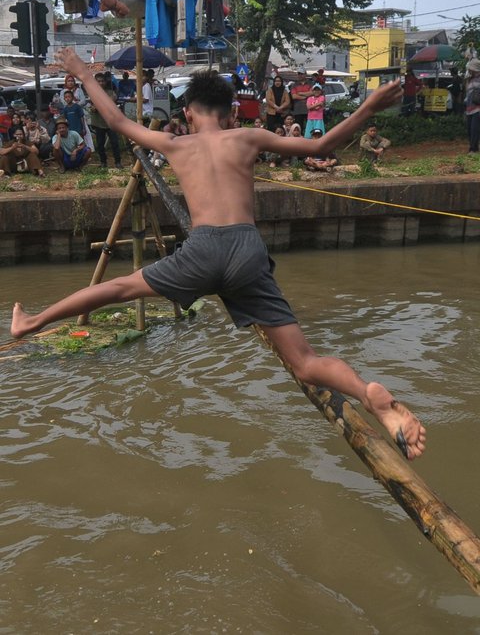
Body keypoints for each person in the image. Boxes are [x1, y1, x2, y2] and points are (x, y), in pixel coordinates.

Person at [11, 48, 426, 462]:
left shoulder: (175, 143)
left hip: (203, 249)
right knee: (305, 361)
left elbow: (117, 121)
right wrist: (368, 105)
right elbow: (323, 143)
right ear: (230, 116)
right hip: (248, 250)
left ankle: (32, 321)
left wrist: (84, 73)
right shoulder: (248, 137)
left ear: (188, 114)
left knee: (119, 287)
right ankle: (367, 395)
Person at [89, 74, 123, 169]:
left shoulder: (111, 92)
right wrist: (94, 107)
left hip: (110, 122)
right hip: (98, 122)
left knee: (115, 143)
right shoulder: (92, 93)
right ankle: (103, 162)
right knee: (100, 144)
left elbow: (112, 101)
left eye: (102, 81)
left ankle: (118, 162)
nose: (101, 83)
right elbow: (93, 107)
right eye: (98, 81)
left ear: (105, 82)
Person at [289, 66, 312, 134]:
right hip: (298, 110)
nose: (300, 75)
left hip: (309, 109)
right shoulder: (294, 85)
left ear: (305, 74)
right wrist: (305, 96)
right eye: (299, 74)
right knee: (299, 128)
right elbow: (294, 96)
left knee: (310, 127)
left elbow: (312, 93)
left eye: (301, 73)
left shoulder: (311, 83)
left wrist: (300, 93)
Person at [464, 58, 480, 152]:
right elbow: (467, 95)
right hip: (469, 109)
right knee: (470, 130)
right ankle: (473, 148)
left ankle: (473, 149)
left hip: (477, 109)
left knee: (474, 129)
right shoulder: (470, 80)